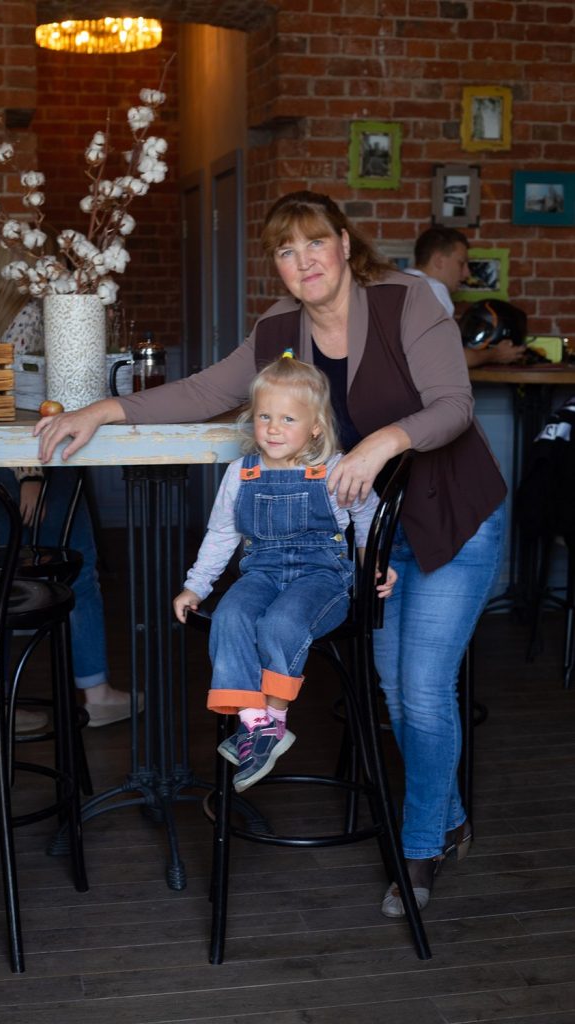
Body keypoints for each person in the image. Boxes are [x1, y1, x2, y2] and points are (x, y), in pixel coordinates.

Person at [35, 189, 508, 917]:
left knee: (421, 691)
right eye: (286, 250)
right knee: (396, 693)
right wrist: (105, 408)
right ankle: (447, 822)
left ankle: (419, 851)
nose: (303, 260)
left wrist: (381, 443)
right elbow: (205, 391)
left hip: (452, 522)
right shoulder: (279, 329)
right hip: (368, 539)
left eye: (315, 242)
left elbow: (453, 405)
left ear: (344, 244)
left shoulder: (406, 302)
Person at [172, 354, 396, 794]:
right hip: (262, 572)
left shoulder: (334, 469)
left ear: (315, 427)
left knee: (280, 623)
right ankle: (256, 722)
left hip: (323, 577)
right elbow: (222, 534)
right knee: (230, 616)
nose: (273, 428)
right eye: (265, 417)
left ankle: (274, 719)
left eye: (288, 419)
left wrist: (372, 563)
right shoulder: (241, 473)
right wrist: (195, 586)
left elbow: (370, 516)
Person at [0, 244, 140, 733]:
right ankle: (97, 694)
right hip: (41, 460)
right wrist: (31, 475)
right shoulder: (38, 315)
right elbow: (25, 405)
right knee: (79, 571)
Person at [404, 226, 525, 367]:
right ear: (438, 260)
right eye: (461, 263)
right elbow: (448, 358)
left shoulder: (398, 283)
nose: (467, 273)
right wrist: (496, 354)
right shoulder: (432, 289)